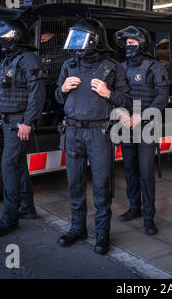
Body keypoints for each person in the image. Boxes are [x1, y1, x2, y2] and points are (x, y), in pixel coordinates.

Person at [55, 19, 131, 254]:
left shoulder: (113, 67)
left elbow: (128, 102)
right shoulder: (69, 65)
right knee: (75, 184)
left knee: (102, 186)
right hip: (72, 131)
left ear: (95, 40)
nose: (76, 44)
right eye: (74, 38)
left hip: (99, 133)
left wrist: (109, 93)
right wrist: (63, 89)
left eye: (81, 38)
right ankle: (77, 228)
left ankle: (102, 235)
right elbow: (58, 97)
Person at [0, 19, 46, 236]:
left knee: (9, 168)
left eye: (5, 38)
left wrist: (28, 122)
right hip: (7, 122)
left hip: (19, 123)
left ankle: (9, 218)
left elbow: (37, 94)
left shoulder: (29, 60)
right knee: (19, 165)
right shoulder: (8, 60)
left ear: (16, 38)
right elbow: (1, 93)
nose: (1, 42)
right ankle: (27, 208)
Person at [114, 26, 170, 235]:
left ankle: (149, 216)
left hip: (146, 127)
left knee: (146, 172)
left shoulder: (155, 67)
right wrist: (121, 113)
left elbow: (161, 97)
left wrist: (142, 115)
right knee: (130, 171)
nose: (128, 47)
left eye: (132, 43)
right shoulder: (120, 67)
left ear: (142, 44)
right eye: (126, 43)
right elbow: (115, 95)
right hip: (126, 127)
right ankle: (134, 208)